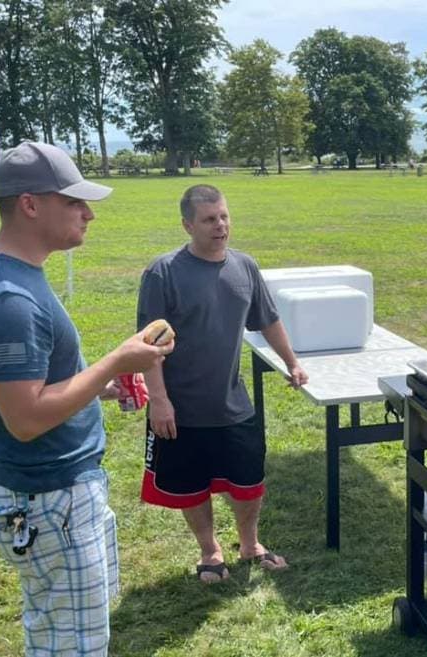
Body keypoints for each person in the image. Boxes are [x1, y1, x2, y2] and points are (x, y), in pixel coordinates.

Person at [0, 142, 174, 656]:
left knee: (58, 634)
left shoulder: (14, 280)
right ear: (30, 204)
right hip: (50, 500)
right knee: (72, 647)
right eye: (74, 201)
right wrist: (115, 362)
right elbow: (24, 419)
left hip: (54, 499)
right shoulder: (12, 301)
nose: (88, 212)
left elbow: (29, 390)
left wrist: (100, 384)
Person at [137, 184, 307, 583]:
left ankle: (250, 544)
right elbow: (148, 346)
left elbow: (267, 318)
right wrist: (159, 400)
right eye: (210, 219)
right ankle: (210, 551)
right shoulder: (162, 273)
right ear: (187, 225)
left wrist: (292, 362)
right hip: (182, 407)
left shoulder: (245, 266)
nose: (221, 226)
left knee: (249, 481)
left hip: (233, 402)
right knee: (191, 486)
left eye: (225, 216)